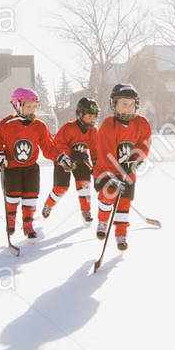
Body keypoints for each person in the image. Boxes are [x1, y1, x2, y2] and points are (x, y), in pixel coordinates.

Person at [92, 83, 152, 251]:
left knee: (124, 202)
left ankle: (121, 234)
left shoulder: (142, 123)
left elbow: (144, 144)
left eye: (131, 104)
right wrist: (115, 175)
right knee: (108, 196)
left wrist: (134, 160)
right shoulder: (108, 125)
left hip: (127, 172)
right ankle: (103, 221)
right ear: (114, 104)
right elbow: (105, 154)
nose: (128, 108)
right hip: (106, 171)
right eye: (123, 103)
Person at [0, 87, 54, 239]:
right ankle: (11, 221)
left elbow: (49, 147)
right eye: (28, 106)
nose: (32, 110)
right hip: (12, 167)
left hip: (31, 168)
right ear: (18, 105)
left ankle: (28, 224)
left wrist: (61, 157)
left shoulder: (39, 126)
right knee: (13, 196)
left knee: (31, 196)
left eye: (35, 106)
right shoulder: (6, 124)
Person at [43, 96, 99, 223]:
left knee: (84, 185)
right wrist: (71, 154)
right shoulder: (69, 127)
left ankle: (86, 211)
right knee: (61, 188)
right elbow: (57, 144)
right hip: (63, 160)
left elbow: (96, 149)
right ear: (80, 114)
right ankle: (49, 204)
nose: (92, 120)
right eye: (89, 116)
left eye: (94, 116)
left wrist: (96, 163)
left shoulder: (94, 131)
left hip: (81, 161)